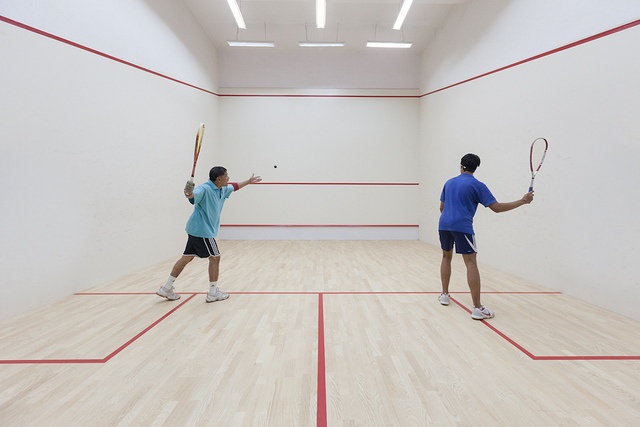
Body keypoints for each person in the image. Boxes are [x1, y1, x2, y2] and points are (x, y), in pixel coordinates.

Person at [437, 153, 533, 320]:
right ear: (476, 168)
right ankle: (477, 308)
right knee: (471, 263)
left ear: (461, 166)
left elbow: (441, 207)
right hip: (462, 227)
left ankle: (444, 295)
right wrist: (523, 201)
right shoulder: (477, 185)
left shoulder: (449, 182)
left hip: (443, 224)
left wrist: (449, 219)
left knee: (446, 257)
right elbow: (496, 208)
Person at [156, 166, 262, 302]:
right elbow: (192, 196)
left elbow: (235, 186)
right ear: (219, 179)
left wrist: (248, 181)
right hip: (202, 231)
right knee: (215, 257)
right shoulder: (205, 188)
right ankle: (213, 292)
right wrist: (188, 192)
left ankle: (166, 287)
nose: (228, 178)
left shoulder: (222, 189)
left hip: (194, 229)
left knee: (186, 258)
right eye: (226, 176)